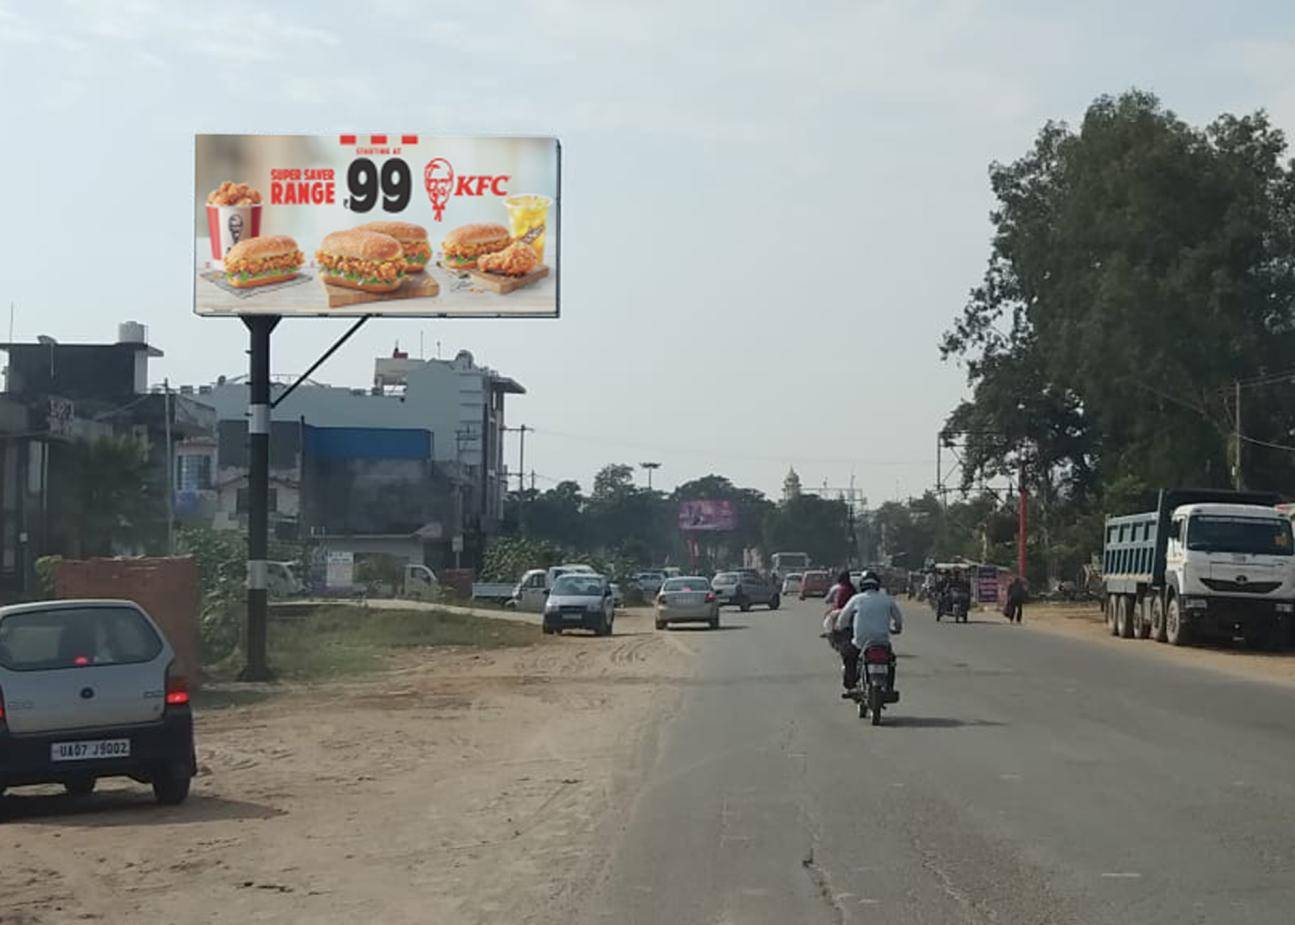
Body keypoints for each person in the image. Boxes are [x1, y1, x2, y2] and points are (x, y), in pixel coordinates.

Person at [834, 571, 903, 694]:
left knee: (849, 656)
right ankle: (889, 687)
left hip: (860, 642)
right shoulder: (887, 599)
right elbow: (898, 619)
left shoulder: (856, 599)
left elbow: (842, 619)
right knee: (890, 661)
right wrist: (897, 628)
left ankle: (851, 684)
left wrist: (841, 628)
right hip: (882, 642)